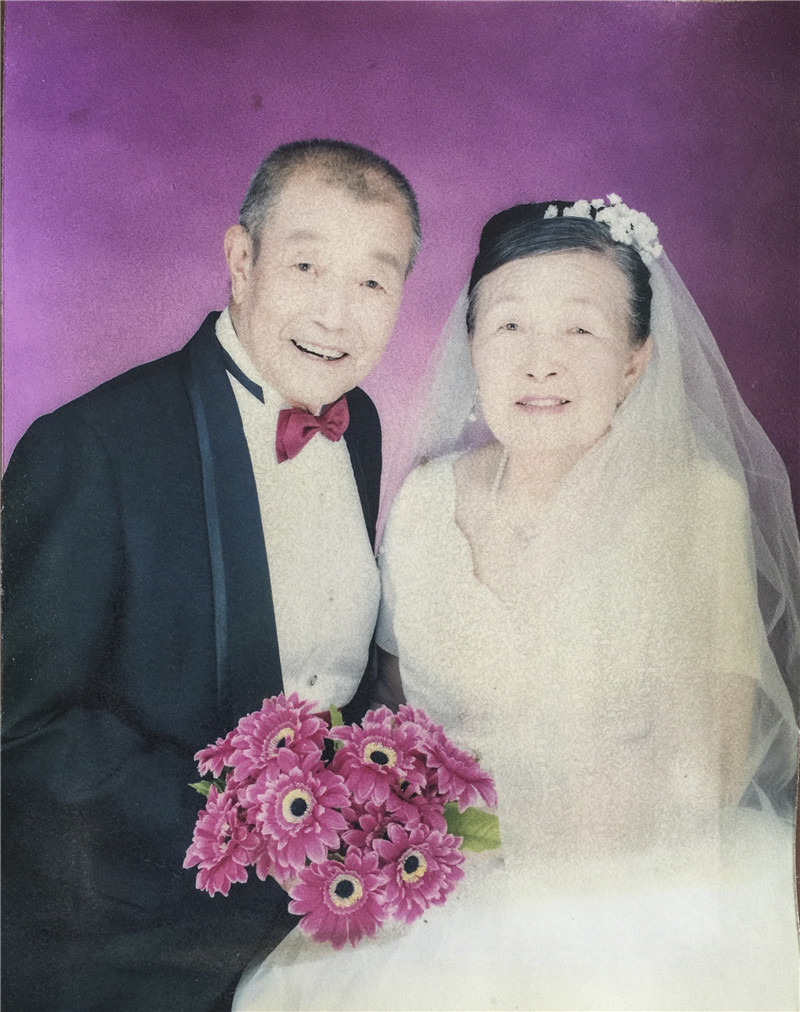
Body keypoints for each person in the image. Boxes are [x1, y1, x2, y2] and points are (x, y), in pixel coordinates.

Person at [234, 197, 799, 1011]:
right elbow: (392, 717)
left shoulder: (693, 502)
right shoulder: (424, 503)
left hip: (631, 884)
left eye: (580, 330)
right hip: (436, 879)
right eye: (508, 327)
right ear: (471, 345)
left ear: (636, 360)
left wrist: (514, 842)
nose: (541, 363)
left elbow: (705, 765)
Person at [1, 139, 420, 1011]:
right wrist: (255, 830)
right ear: (240, 259)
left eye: (372, 282)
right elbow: (24, 728)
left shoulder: (360, 428)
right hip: (134, 941)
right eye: (306, 266)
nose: (336, 315)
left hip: (315, 923)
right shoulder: (91, 446)